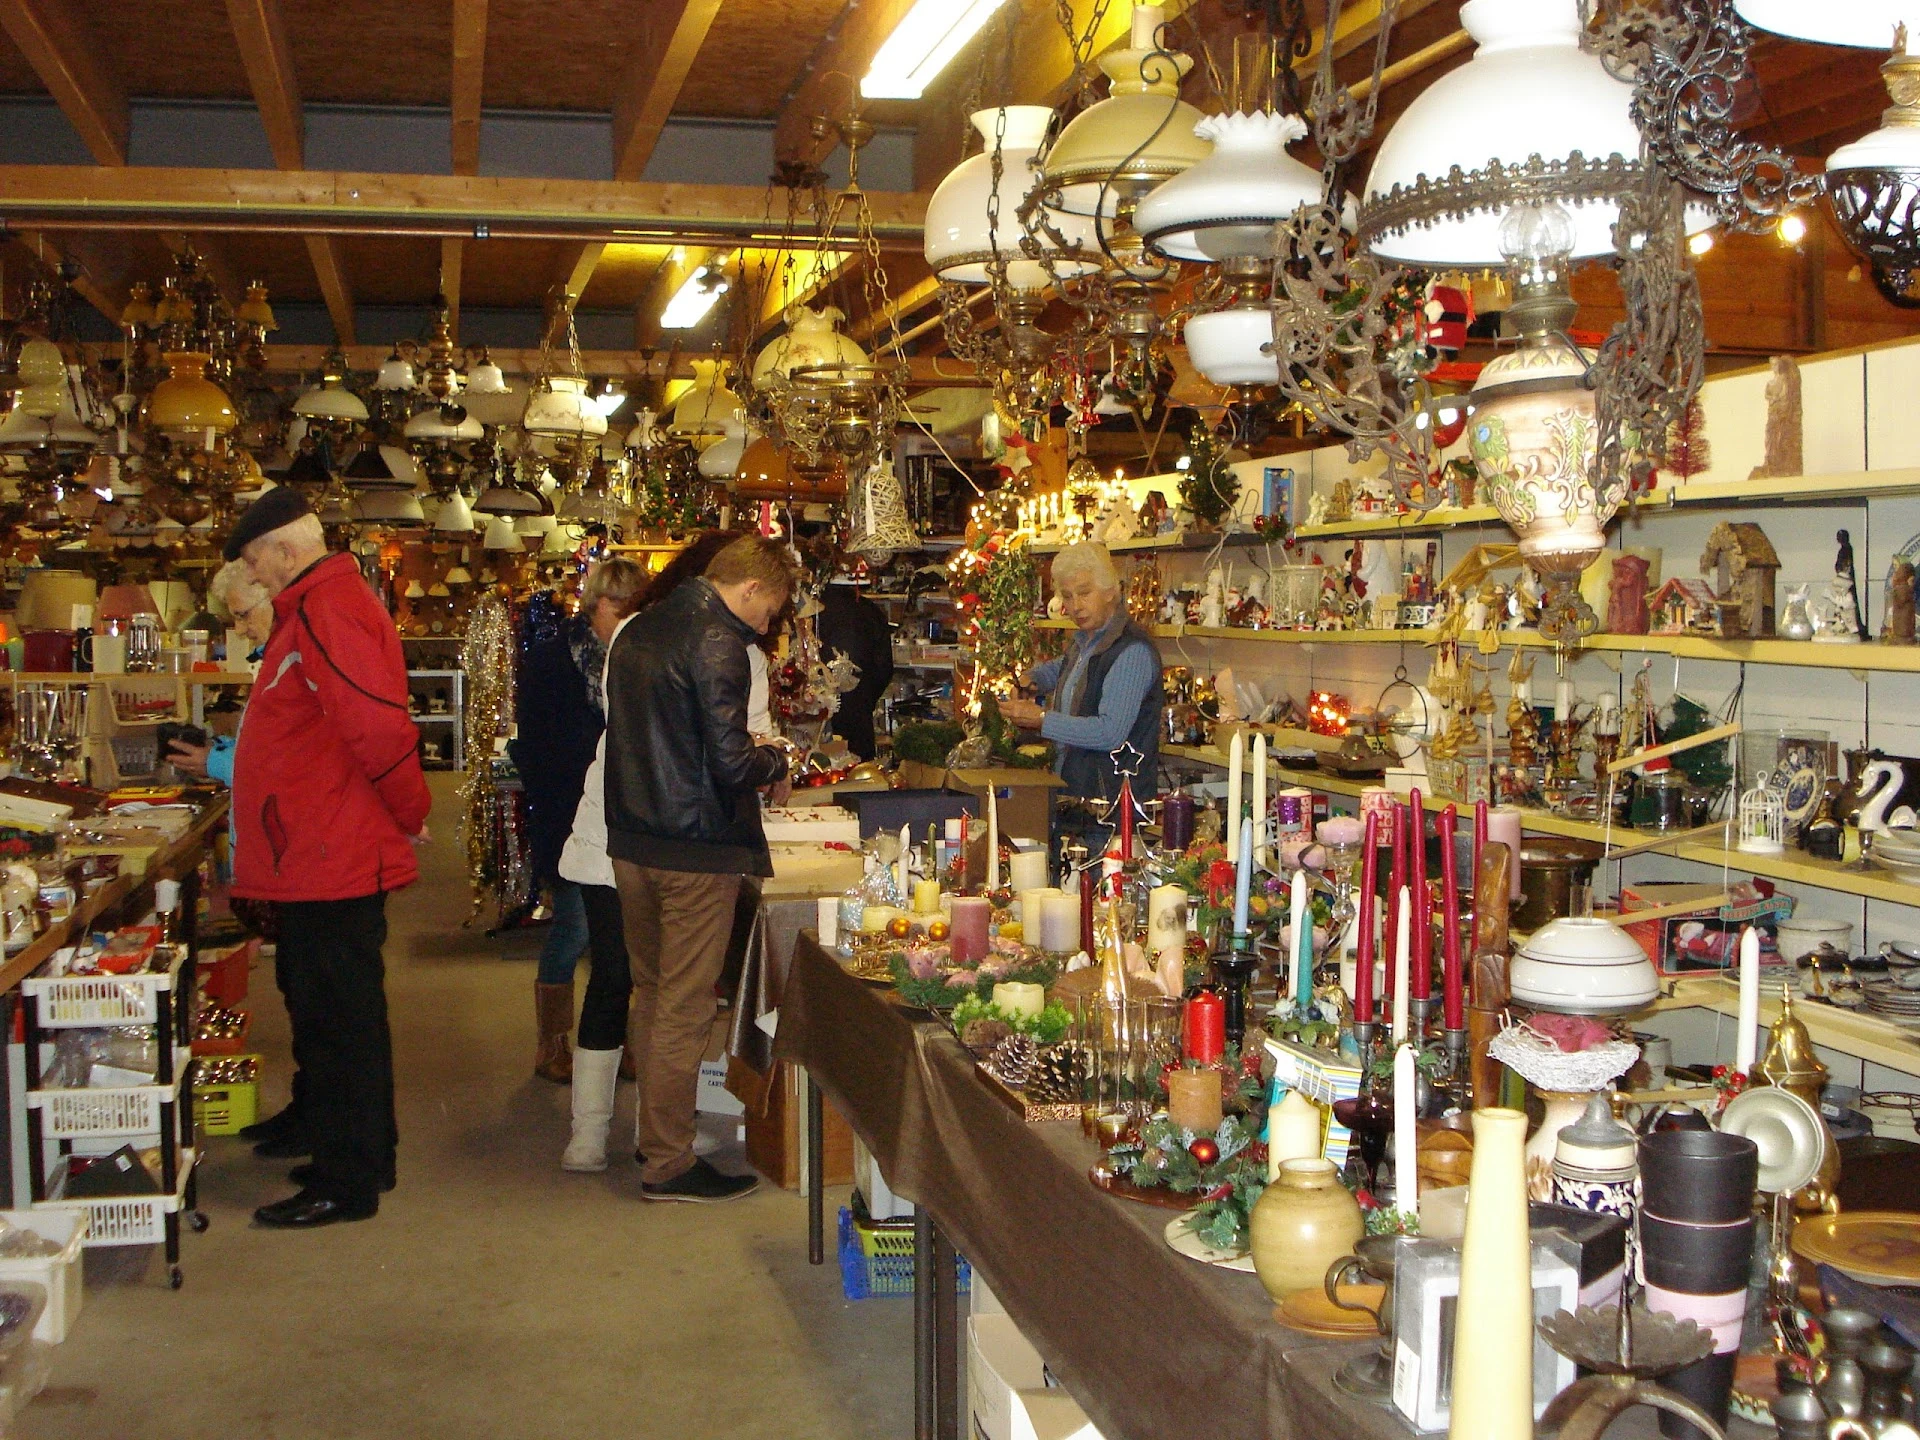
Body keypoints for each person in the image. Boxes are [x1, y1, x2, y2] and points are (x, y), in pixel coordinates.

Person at [222, 486, 430, 1228]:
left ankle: (350, 1178)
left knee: (339, 1015)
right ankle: (352, 1149)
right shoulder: (314, 607)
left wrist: (411, 812)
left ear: (285, 546)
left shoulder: (326, 609)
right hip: (316, 846)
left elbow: (375, 727)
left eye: (256, 561)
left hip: (330, 847)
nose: (256, 577)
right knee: (327, 1006)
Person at [603, 533, 796, 1203]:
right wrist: (776, 758)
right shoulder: (720, 644)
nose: (767, 624)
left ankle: (657, 1137)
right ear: (747, 591)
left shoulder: (636, 631)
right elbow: (731, 764)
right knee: (684, 1007)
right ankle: (668, 1161)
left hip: (633, 839)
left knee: (653, 994)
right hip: (696, 847)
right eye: (769, 609)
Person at [511, 575, 638, 1085]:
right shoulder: (552, 659)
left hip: (618, 811)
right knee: (574, 927)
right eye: (624, 608)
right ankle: (552, 1041)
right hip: (567, 813)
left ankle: (616, 1037)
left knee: (618, 935)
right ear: (602, 603)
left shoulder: (629, 657)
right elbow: (536, 744)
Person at [1001, 540, 1163, 807]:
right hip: (1078, 798)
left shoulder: (1131, 652)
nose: (1075, 606)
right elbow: (1063, 669)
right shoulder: (1086, 642)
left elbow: (1109, 732)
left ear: (1110, 591)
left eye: (1084, 593)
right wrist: (1031, 680)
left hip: (1109, 808)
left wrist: (1042, 719)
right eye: (1067, 596)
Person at [816, 577, 894, 761]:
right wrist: (865, 698)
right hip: (858, 714)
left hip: (812, 717)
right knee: (859, 777)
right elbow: (884, 669)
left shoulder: (810, 612)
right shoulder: (870, 612)